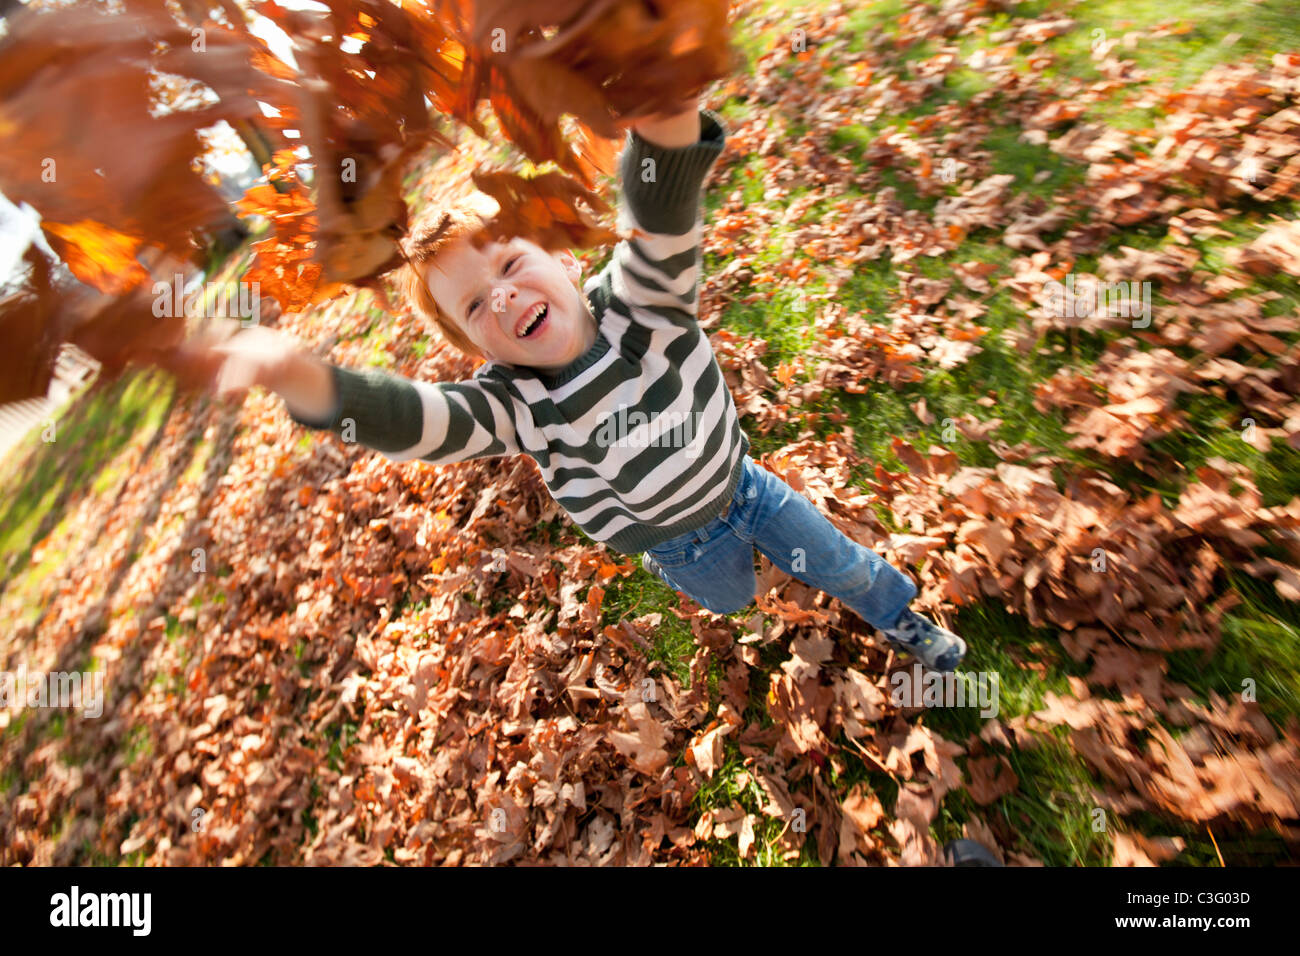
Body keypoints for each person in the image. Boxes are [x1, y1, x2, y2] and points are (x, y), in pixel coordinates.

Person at [202, 97, 967, 672]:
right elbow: (421, 421)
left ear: (565, 261)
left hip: (742, 486)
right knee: (736, 601)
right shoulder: (512, 402)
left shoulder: (644, 305)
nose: (500, 295)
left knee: (836, 562)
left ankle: (904, 621)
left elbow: (661, 224)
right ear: (473, 343)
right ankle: (750, 589)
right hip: (675, 542)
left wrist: (665, 123)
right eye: (475, 305)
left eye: (509, 265)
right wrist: (302, 377)